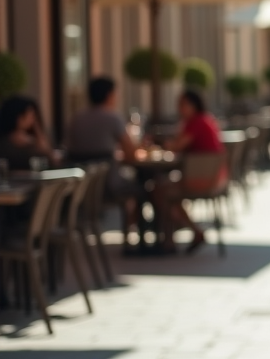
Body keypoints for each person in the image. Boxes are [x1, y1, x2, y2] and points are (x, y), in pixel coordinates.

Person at [65, 76, 143, 231]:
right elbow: (131, 153)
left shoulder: (76, 118)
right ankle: (135, 234)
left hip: (79, 185)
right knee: (144, 188)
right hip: (109, 185)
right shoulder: (112, 117)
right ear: (109, 95)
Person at [157, 90, 225, 254]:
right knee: (161, 189)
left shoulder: (196, 122)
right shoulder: (206, 119)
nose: (179, 108)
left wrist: (166, 144)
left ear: (193, 105)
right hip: (214, 177)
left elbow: (177, 146)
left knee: (159, 191)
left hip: (201, 178)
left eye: (182, 104)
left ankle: (170, 239)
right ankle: (186, 231)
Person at [0, 95, 59, 170]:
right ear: (19, 117)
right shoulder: (13, 141)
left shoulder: (31, 139)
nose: (33, 119)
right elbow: (51, 160)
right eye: (30, 115)